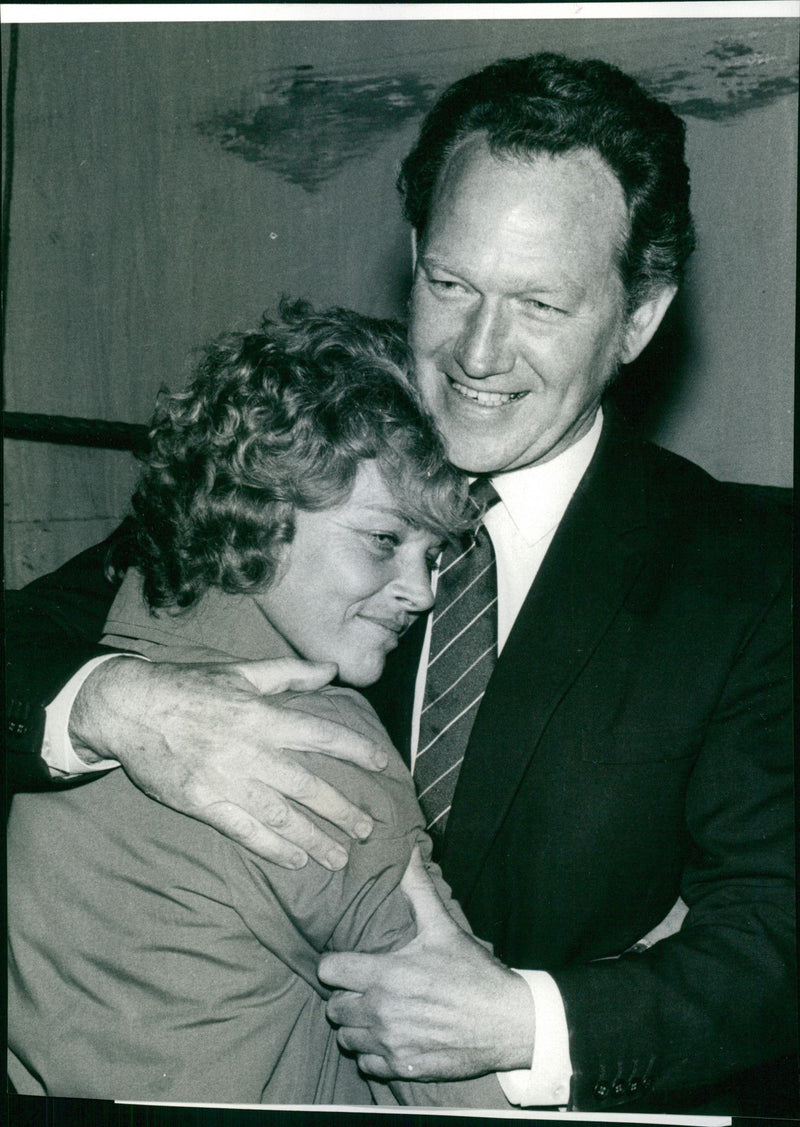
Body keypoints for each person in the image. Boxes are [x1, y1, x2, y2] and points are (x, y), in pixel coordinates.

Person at [5, 53, 794, 1113]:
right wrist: (116, 703)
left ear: (639, 317)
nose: (477, 352)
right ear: (414, 256)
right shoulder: (304, 469)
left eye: (538, 304)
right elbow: (24, 636)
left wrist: (533, 1023)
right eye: (450, 285)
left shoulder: (750, 570)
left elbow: (775, 928)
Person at [8, 300, 515, 1108]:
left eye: (433, 554)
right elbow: (464, 1080)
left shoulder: (96, 661)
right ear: (259, 511)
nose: (421, 592)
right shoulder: (313, 740)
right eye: (385, 540)